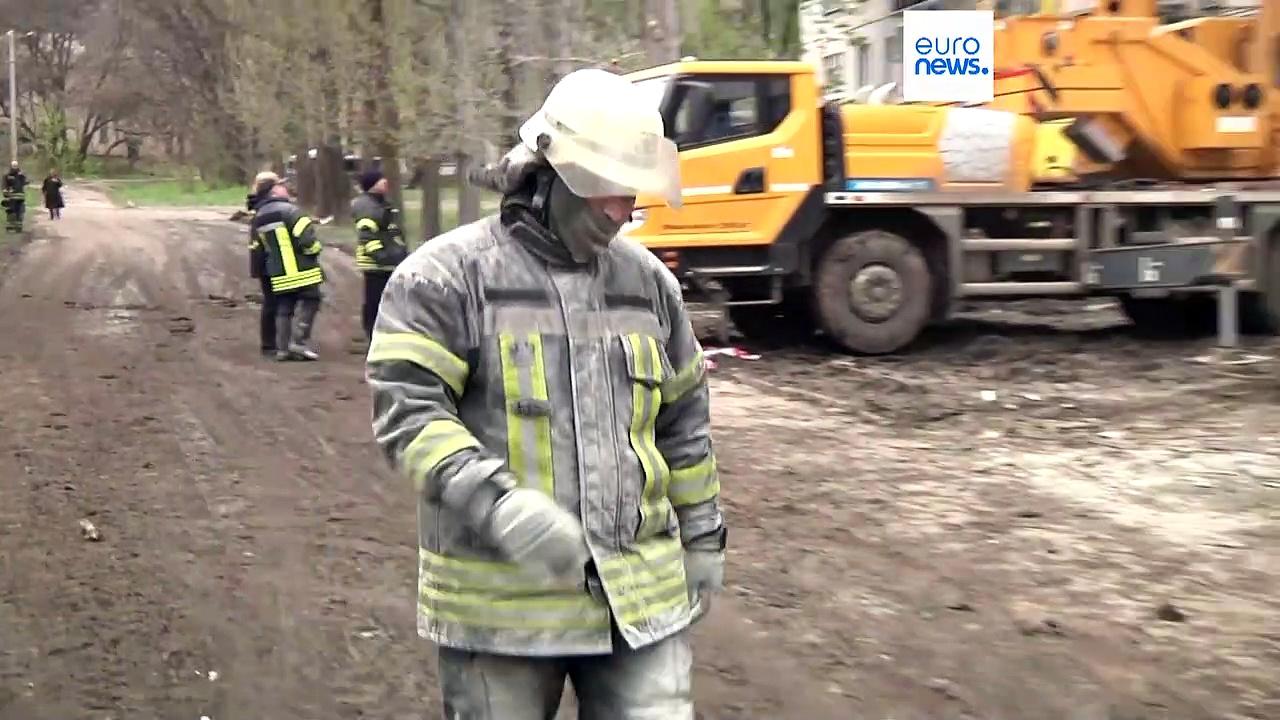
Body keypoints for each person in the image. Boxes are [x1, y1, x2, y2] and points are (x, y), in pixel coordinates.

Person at [366, 68, 724, 719]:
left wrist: (703, 538)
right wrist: (499, 505)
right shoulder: (445, 280)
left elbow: (684, 424)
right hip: (500, 608)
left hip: (641, 602)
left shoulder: (648, 286)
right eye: (607, 189)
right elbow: (408, 411)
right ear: (551, 172)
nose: (623, 210)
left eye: (632, 191)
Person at [248, 175, 324, 361]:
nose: (285, 187)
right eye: (280, 185)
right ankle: (298, 342)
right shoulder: (291, 211)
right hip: (301, 269)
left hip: (278, 272)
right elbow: (307, 241)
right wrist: (315, 250)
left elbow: (259, 246)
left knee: (283, 307)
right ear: (273, 190)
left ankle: (281, 348)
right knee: (311, 300)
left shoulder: (260, 216)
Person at [351, 169, 408, 341]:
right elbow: (367, 235)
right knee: (375, 300)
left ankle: (384, 332)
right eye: (380, 180)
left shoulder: (381, 203)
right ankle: (372, 334)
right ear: (371, 185)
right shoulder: (367, 206)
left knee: (388, 299)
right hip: (377, 263)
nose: (385, 182)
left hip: (389, 260)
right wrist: (381, 256)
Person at [246, 171, 281, 358]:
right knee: (272, 303)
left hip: (263, 259)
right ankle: (269, 344)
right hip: (268, 260)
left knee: (272, 302)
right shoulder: (266, 208)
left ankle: (273, 341)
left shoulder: (258, 205)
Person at [3, 161, 27, 233]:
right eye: (13, 166)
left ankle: (18, 228)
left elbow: (25, 182)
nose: (14, 167)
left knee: (19, 212)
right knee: (11, 213)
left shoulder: (21, 175)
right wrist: (6, 193)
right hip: (11, 197)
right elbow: (5, 186)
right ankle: (10, 227)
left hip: (19, 198)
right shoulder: (8, 175)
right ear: (11, 166)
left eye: (15, 166)